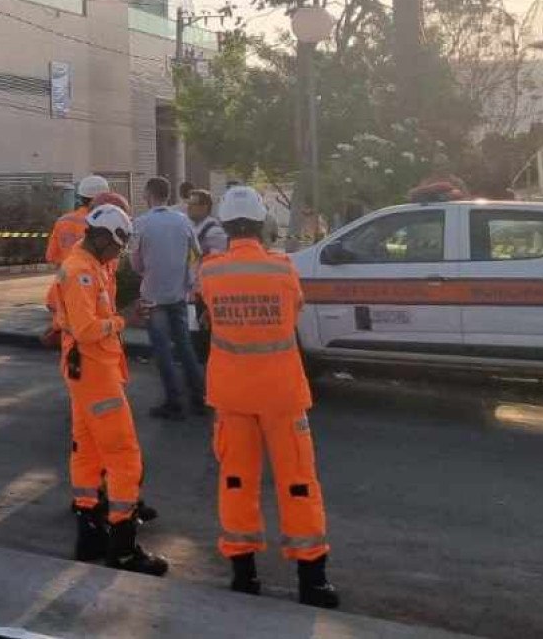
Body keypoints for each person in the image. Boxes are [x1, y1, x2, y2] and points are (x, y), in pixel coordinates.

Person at [196, 184, 339, 610]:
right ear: (263, 224)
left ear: (224, 224)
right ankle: (312, 581)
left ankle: (244, 575)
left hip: (231, 395)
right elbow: (293, 310)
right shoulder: (282, 269)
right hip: (282, 394)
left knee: (236, 480)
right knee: (297, 482)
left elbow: (207, 315)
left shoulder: (210, 271)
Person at [55, 203, 169, 576]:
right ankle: (123, 547)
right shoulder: (81, 271)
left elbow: (60, 308)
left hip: (87, 371)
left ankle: (89, 535)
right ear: (102, 238)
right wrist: (125, 319)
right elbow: (89, 329)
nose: (118, 254)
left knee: (86, 451)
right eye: (117, 246)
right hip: (94, 373)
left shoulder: (86, 266)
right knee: (123, 455)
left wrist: (65, 324)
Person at [129, 176, 206, 420]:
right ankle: (199, 396)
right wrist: (188, 279)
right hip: (178, 293)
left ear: (148, 194)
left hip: (153, 294)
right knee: (184, 346)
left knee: (162, 349)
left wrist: (146, 272)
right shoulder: (183, 221)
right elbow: (197, 253)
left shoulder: (142, 223)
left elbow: (135, 260)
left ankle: (174, 402)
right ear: (168, 194)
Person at [43, 175, 111, 345]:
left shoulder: (63, 221)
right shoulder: (104, 225)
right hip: (96, 296)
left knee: (70, 345)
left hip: (64, 291)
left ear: (80, 197)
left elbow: (51, 256)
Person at [188, 189, 227, 256]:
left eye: (193, 204)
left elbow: (217, 260)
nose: (189, 207)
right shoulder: (192, 226)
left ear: (204, 207)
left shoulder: (214, 231)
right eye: (189, 204)